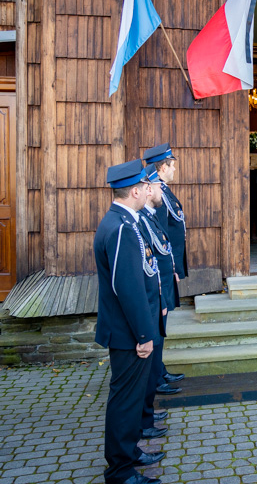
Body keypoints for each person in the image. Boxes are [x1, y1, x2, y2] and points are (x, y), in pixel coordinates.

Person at [94, 160, 164, 484]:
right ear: (135, 190)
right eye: (144, 186)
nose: (148, 190)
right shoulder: (121, 226)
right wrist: (143, 334)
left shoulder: (123, 220)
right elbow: (128, 287)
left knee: (131, 400)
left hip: (129, 331)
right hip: (128, 333)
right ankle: (120, 471)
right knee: (124, 403)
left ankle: (131, 453)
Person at [142, 144, 185, 394]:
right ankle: (155, 377)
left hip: (166, 267)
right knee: (159, 322)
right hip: (160, 268)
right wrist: (170, 267)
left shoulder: (164, 192)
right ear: (161, 168)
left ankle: (159, 369)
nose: (175, 168)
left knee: (163, 322)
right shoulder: (156, 194)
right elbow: (160, 234)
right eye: (172, 164)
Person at [138, 165, 176, 439]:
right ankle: (143, 421)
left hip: (157, 295)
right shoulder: (132, 223)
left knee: (153, 363)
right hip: (148, 304)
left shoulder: (144, 219)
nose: (162, 190)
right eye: (157, 186)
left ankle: (146, 416)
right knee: (143, 372)